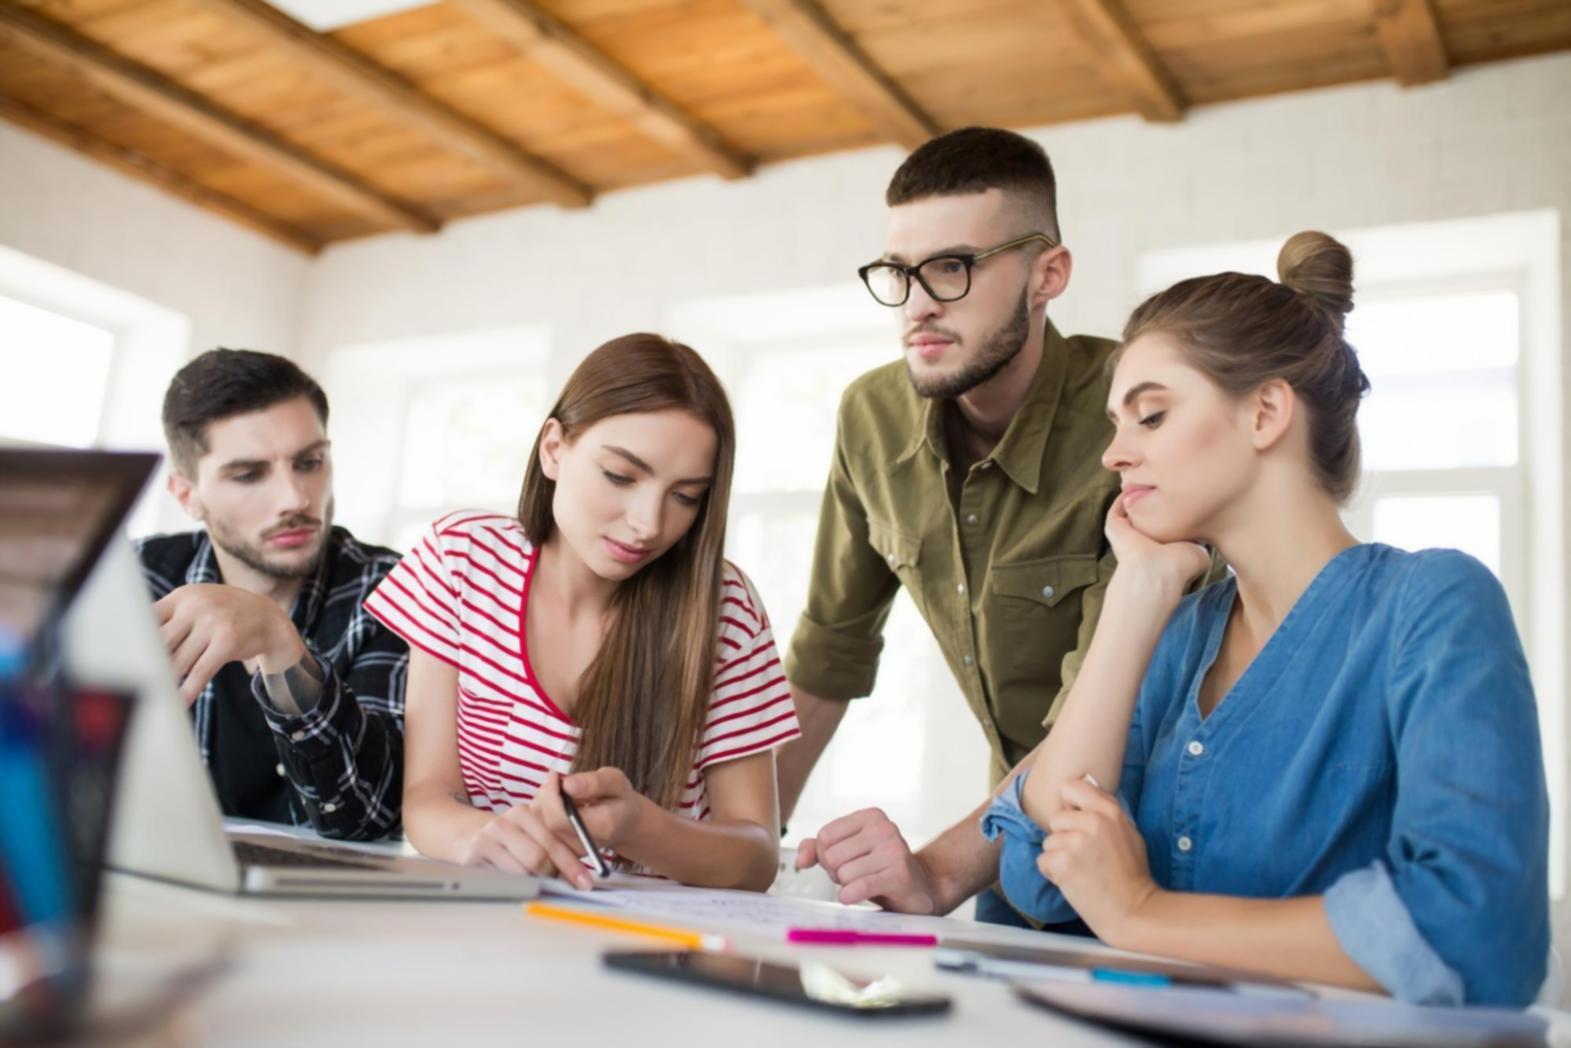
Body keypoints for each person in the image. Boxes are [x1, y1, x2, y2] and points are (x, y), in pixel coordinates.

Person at [980, 231, 1549, 1005]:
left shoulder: (1433, 606)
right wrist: (1133, 595)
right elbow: (1039, 875)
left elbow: (1476, 934)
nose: (1112, 456)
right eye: (1114, 425)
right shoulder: (1176, 635)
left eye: (1148, 417)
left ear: (1265, 413)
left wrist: (1143, 913)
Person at [782, 126, 1218, 924]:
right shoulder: (870, 418)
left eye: (951, 268)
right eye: (898, 272)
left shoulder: (1140, 421)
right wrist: (737, 845)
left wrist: (939, 874)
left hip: (1173, 859)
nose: (917, 304)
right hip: (1013, 853)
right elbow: (827, 656)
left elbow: (1110, 712)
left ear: (1047, 273)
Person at [364, 334, 799, 890]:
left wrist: (638, 827)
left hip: (652, 952)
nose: (648, 523)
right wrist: (475, 838)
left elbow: (757, 857)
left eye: (686, 496)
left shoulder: (726, 611)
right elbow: (428, 795)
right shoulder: (462, 560)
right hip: (487, 929)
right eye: (621, 476)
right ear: (553, 449)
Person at [138, 348, 408, 840]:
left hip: (330, 905)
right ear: (187, 496)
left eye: (310, 462)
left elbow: (372, 816)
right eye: (248, 474)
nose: (296, 499)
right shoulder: (135, 579)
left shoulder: (394, 589)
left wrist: (277, 641)